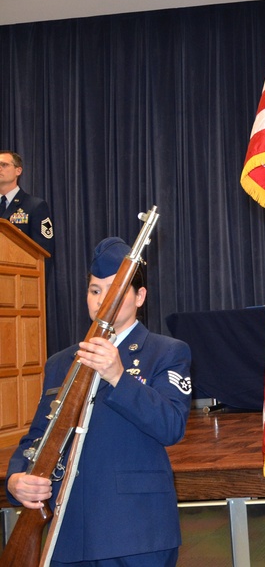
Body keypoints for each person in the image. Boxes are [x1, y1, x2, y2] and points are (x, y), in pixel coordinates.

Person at [5, 236, 192, 566]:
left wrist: (119, 376)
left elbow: (171, 426)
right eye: (94, 290)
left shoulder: (167, 352)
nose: (101, 300)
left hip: (136, 533)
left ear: (140, 297)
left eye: (113, 290)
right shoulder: (61, 363)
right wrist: (16, 478)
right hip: (70, 534)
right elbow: (37, 437)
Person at [0, 150, 54, 255]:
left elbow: (44, 251)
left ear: (18, 171)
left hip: (19, 269)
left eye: (4, 165)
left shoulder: (35, 206)